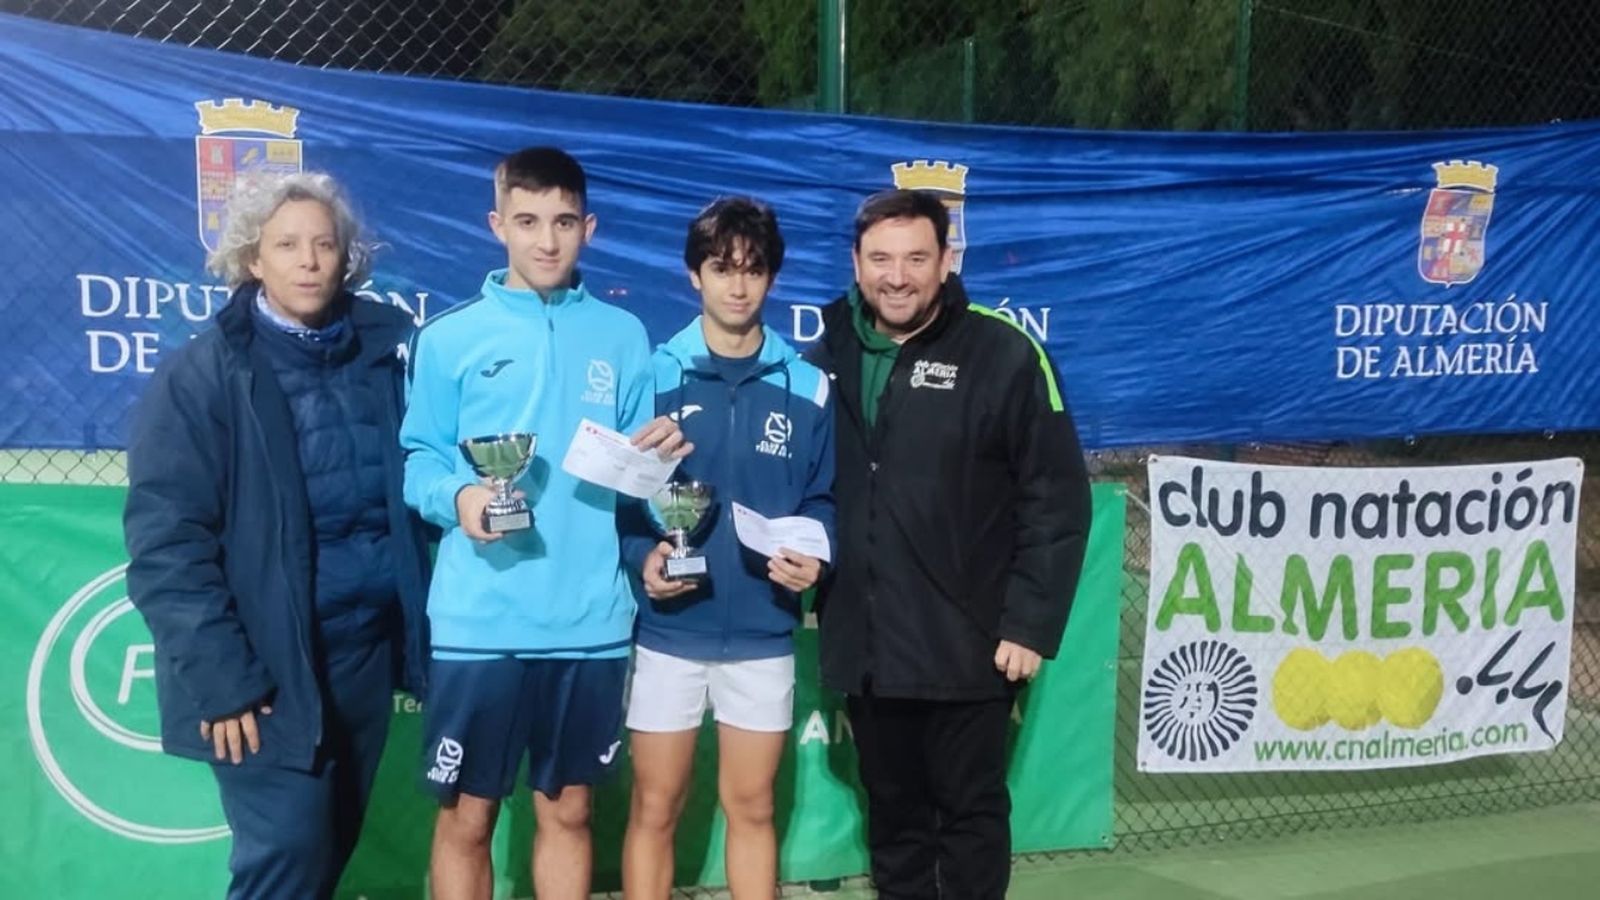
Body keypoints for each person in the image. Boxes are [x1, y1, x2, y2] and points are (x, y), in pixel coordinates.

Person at [124, 171, 432, 899]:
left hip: (360, 651)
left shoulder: (385, 356)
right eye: (287, 245)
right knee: (287, 853)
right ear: (252, 260)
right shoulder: (201, 377)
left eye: (324, 244)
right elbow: (167, 546)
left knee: (328, 847)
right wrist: (225, 682)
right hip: (261, 670)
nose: (309, 260)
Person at [401, 146, 687, 900]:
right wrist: (460, 500)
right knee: (466, 818)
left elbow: (638, 482)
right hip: (480, 623)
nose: (547, 240)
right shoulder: (449, 338)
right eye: (527, 221)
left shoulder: (626, 338)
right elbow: (419, 462)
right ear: (498, 225)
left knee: (570, 812)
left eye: (563, 222)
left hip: (588, 621)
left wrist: (662, 485)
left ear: (588, 227)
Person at [804, 189, 1093, 899]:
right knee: (896, 825)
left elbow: (1056, 496)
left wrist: (1029, 623)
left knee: (970, 820)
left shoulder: (1005, 352)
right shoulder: (828, 349)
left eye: (914, 258)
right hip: (868, 648)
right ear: (856, 261)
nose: (895, 276)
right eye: (879, 259)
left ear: (946, 261)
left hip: (968, 647)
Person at [618, 198, 835, 899]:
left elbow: (823, 498)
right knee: (656, 808)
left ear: (772, 278)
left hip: (763, 633)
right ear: (693, 275)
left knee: (753, 808)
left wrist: (816, 554)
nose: (738, 286)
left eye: (753, 269)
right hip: (670, 633)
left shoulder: (807, 386)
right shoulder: (651, 377)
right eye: (721, 269)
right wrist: (641, 561)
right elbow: (623, 502)